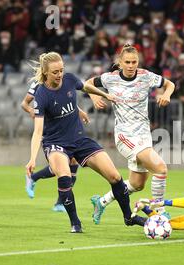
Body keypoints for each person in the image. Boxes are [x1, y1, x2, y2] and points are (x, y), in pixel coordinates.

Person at [25, 51, 144, 233]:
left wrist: (105, 95)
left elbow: (85, 87)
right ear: (46, 72)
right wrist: (32, 158)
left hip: (79, 139)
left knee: (115, 176)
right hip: (55, 143)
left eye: (61, 70)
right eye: (55, 72)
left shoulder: (70, 79)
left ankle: (129, 217)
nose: (59, 75)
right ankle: (75, 223)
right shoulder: (41, 94)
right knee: (64, 177)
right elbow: (38, 130)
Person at [85, 44, 175, 225]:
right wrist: (95, 96)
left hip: (144, 135)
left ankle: (101, 202)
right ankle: (160, 211)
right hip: (125, 136)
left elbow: (169, 84)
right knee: (161, 168)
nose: (131, 65)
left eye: (134, 61)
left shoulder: (145, 76)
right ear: (119, 63)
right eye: (127, 62)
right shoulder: (109, 79)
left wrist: (167, 94)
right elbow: (87, 84)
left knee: (137, 184)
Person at [21, 81, 91, 212]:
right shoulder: (37, 85)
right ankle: (34, 179)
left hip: (66, 127)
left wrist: (79, 111)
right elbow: (24, 103)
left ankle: (59, 202)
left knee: (72, 162)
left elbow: (65, 100)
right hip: (51, 130)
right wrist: (32, 110)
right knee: (60, 166)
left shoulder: (60, 82)